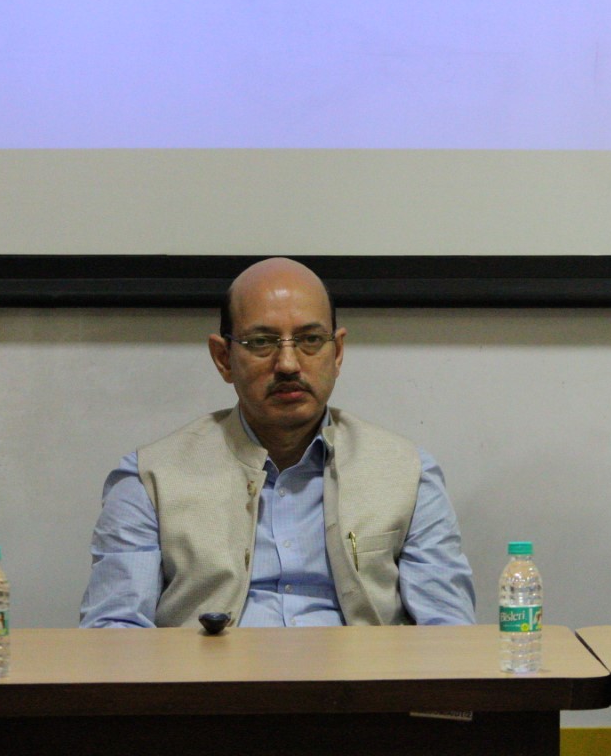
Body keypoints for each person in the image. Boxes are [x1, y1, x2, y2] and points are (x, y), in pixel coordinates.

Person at [81, 257, 475, 628]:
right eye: (261, 342)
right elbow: (114, 630)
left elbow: (448, 630)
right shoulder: (148, 479)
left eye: (310, 340)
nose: (288, 364)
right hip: (209, 677)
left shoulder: (407, 474)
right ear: (223, 358)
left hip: (361, 678)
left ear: (337, 352)